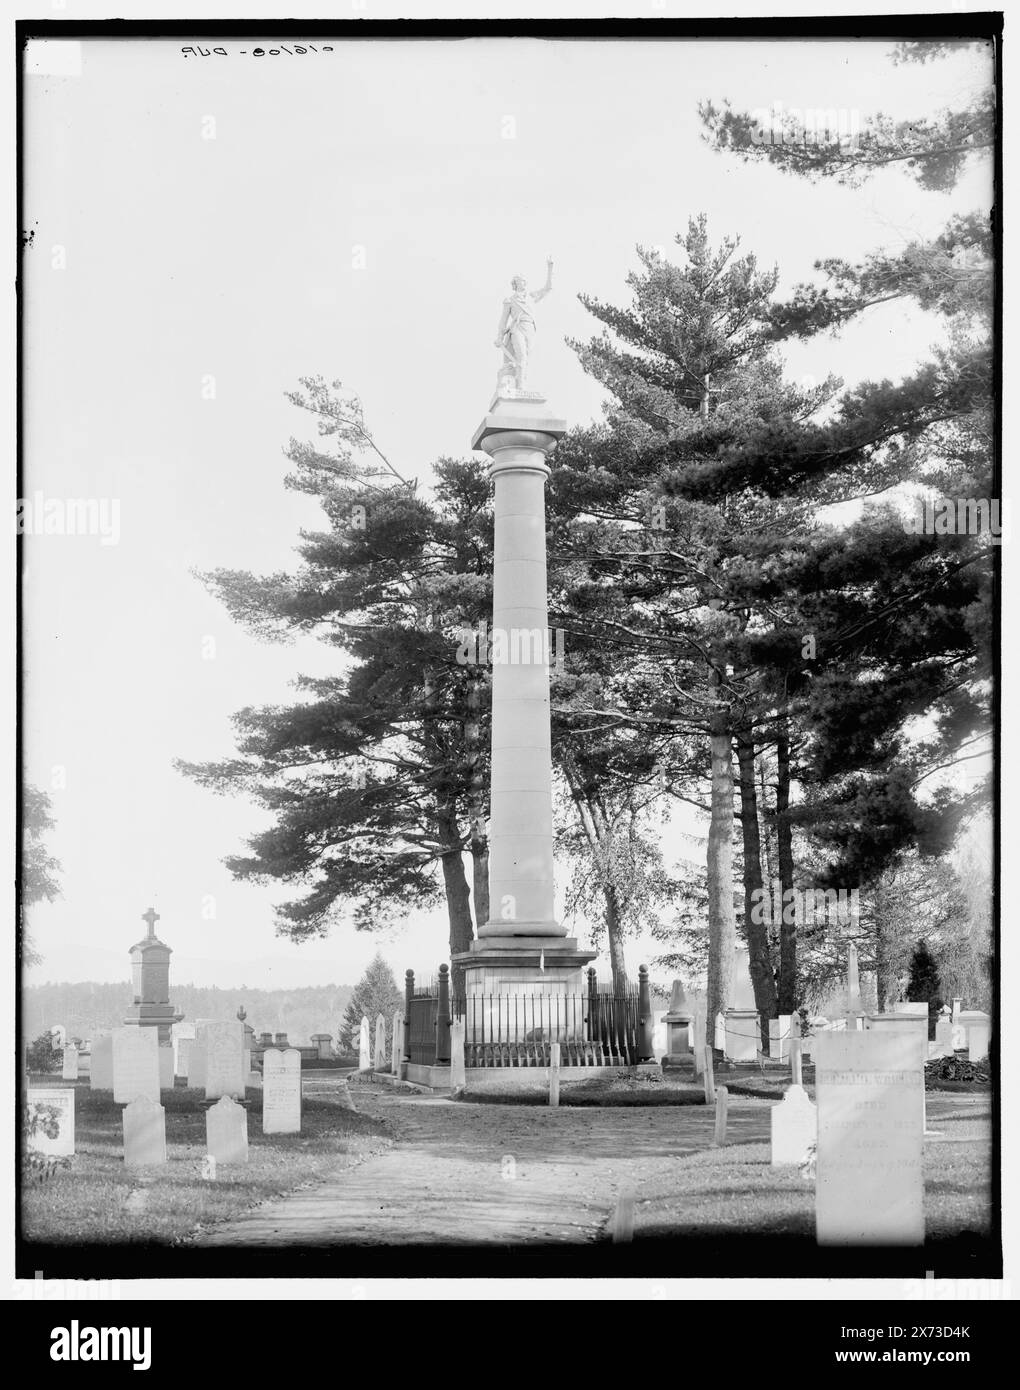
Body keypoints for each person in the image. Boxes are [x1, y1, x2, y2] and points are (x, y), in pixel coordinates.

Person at [494, 258, 554, 391]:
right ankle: (521, 386)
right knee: (521, 355)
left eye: (524, 281)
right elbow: (503, 321)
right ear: (516, 284)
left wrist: (550, 268)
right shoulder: (509, 300)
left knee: (525, 358)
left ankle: (520, 381)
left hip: (530, 328)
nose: (524, 283)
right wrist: (499, 337)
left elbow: (548, 288)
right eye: (521, 281)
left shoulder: (531, 297)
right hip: (517, 328)